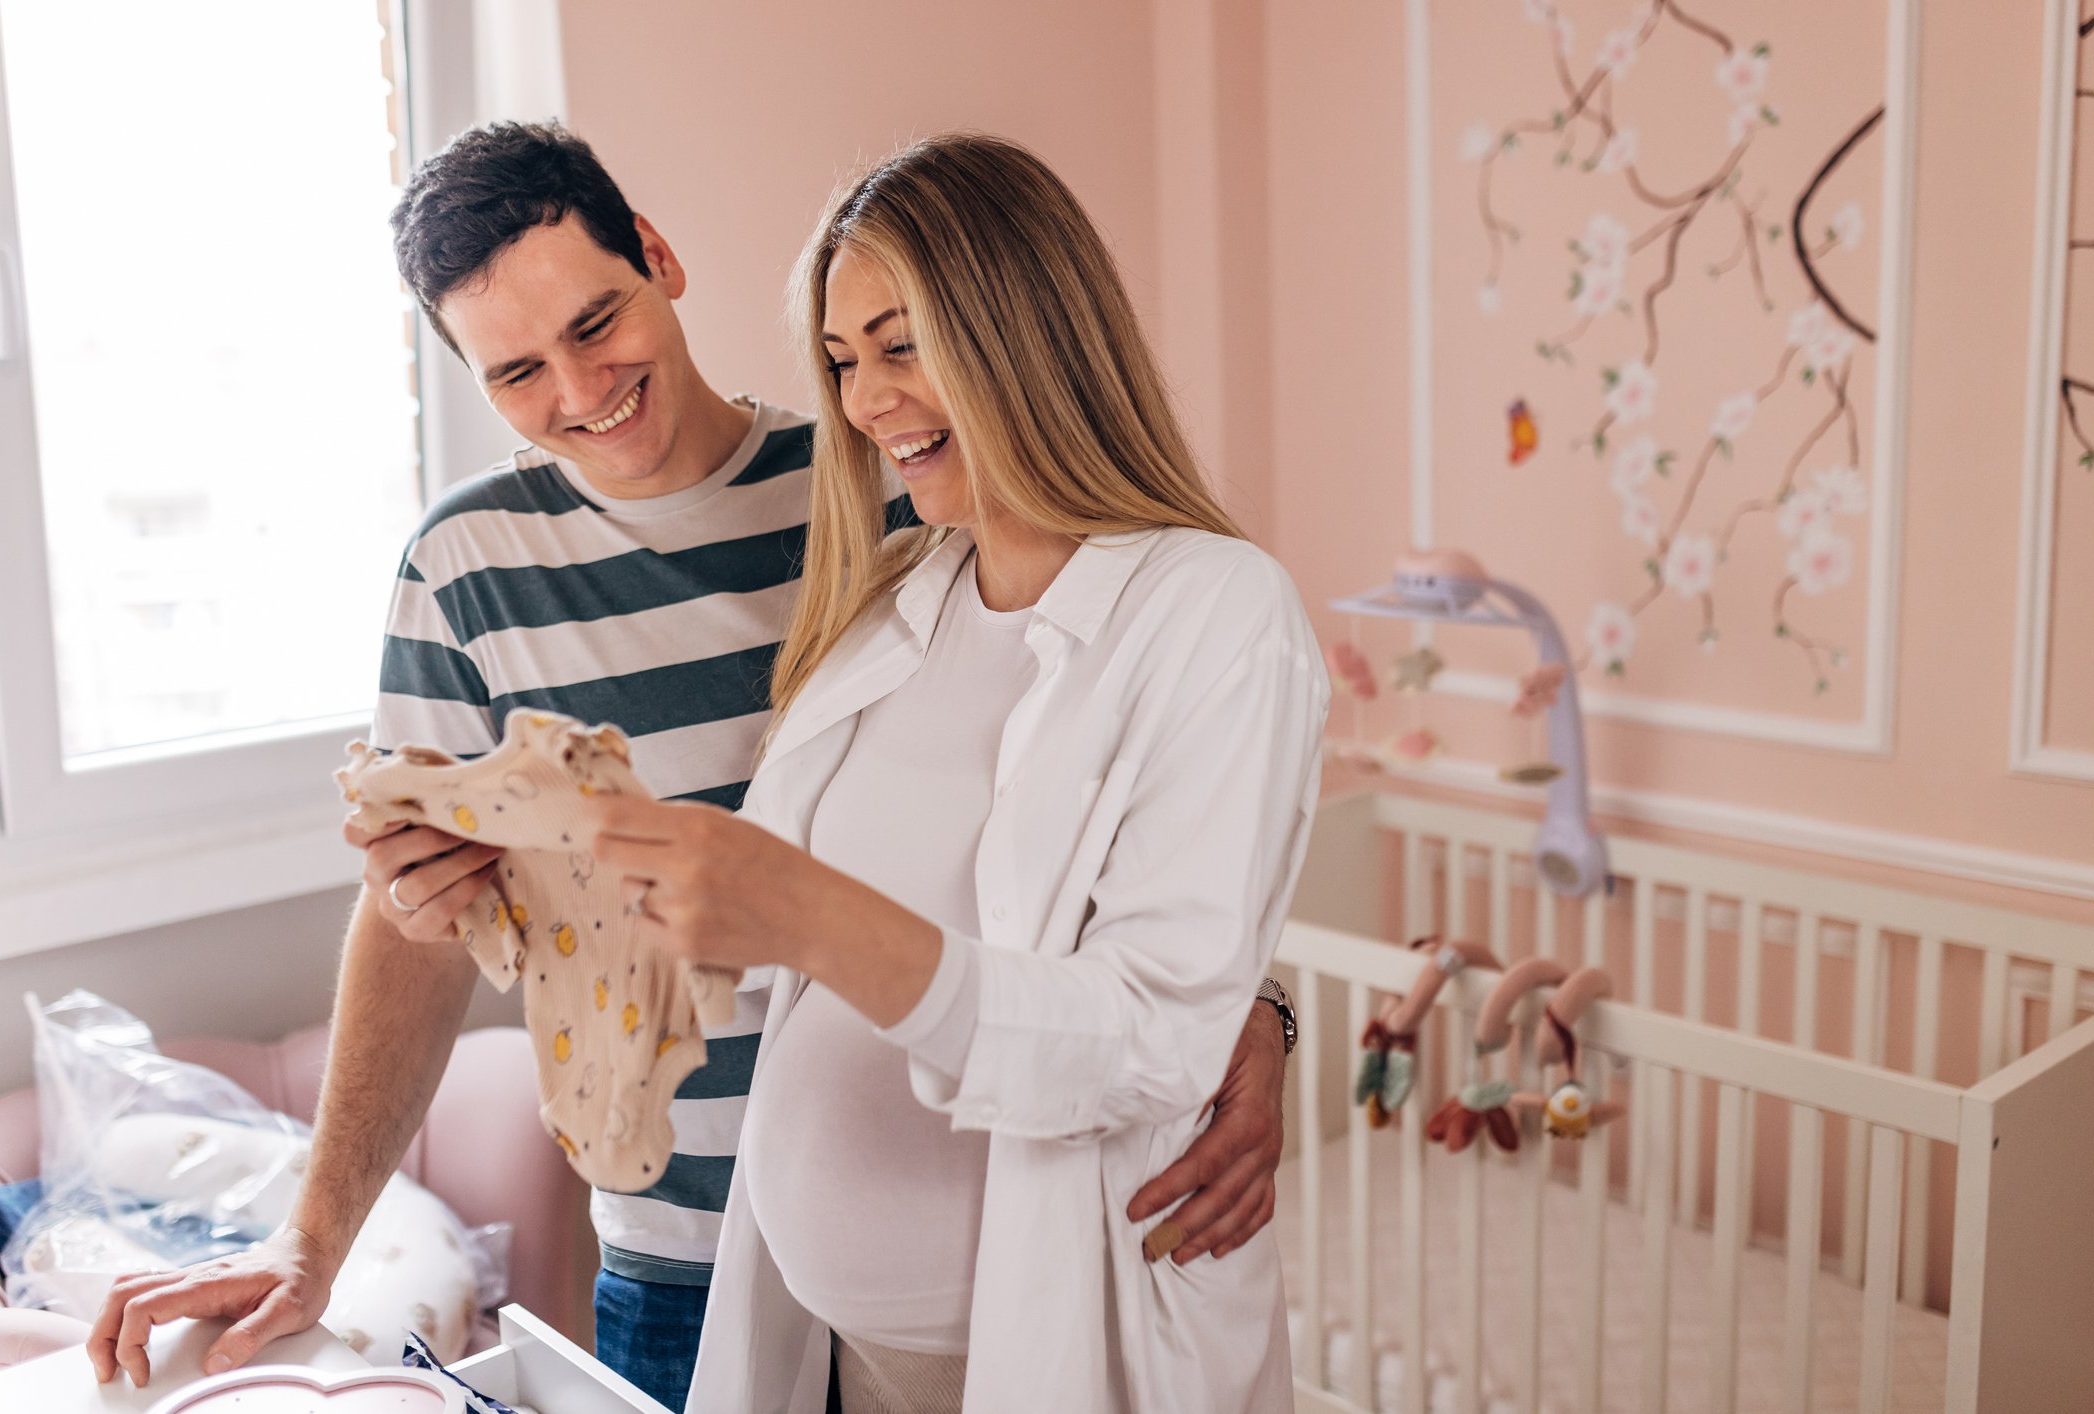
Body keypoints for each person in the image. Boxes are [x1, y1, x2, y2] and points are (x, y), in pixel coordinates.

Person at [83, 122, 1298, 1412]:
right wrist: (312, 1237)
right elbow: (419, 922)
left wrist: (1254, 1013)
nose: (577, 389)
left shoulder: (898, 503)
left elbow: (1140, 828)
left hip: (999, 1248)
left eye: (596, 321)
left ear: (659, 260)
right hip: (685, 1262)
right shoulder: (469, 570)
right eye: (515, 373)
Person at [587, 133, 1326, 1413]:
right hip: (834, 1347)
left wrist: (808, 911)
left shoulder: (1215, 610)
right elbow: (769, 973)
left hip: (1050, 1337)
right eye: (838, 361)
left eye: (897, 343)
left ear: (1021, 332)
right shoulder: (892, 607)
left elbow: (1149, 1032)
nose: (863, 401)